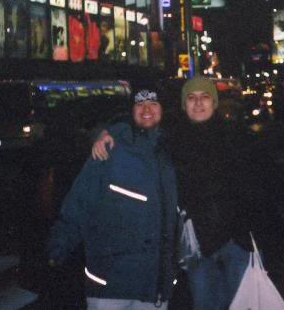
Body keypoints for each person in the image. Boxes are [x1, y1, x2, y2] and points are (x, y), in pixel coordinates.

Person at [93, 77, 257, 310]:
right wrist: (107, 131)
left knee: (244, 305)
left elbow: (260, 186)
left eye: (205, 97)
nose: (198, 103)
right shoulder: (171, 138)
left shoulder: (237, 137)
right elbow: (140, 120)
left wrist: (251, 229)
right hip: (197, 245)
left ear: (215, 102)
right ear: (183, 105)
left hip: (236, 242)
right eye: (191, 98)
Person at [46, 89, 178, 309]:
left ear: (163, 109)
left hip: (153, 287)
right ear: (130, 111)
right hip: (111, 284)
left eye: (153, 103)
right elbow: (81, 199)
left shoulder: (171, 152)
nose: (147, 109)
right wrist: (59, 244)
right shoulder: (111, 148)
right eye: (139, 104)